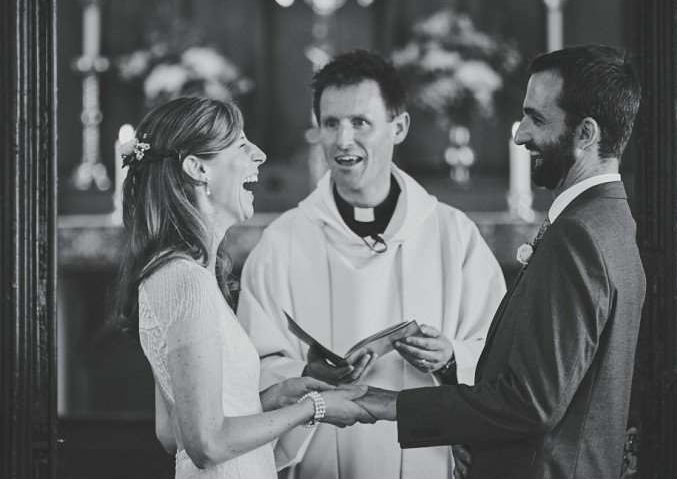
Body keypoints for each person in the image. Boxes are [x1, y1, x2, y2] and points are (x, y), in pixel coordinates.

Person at [354, 44, 646, 479]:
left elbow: (532, 402)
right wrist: (479, 437)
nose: (519, 134)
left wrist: (387, 404)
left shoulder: (579, 234)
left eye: (538, 119)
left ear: (586, 134)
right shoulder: (610, 218)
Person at [236, 49, 507, 479]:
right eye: (330, 123)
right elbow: (249, 369)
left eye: (360, 122)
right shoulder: (282, 244)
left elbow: (500, 353)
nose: (343, 140)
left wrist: (451, 356)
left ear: (398, 127)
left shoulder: (453, 235)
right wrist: (305, 372)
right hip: (321, 460)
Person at [112, 97, 375, 479]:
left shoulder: (173, 273)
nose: (260, 155)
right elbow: (207, 445)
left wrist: (278, 396)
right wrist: (315, 407)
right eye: (240, 144)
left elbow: (173, 433)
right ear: (197, 168)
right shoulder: (186, 282)